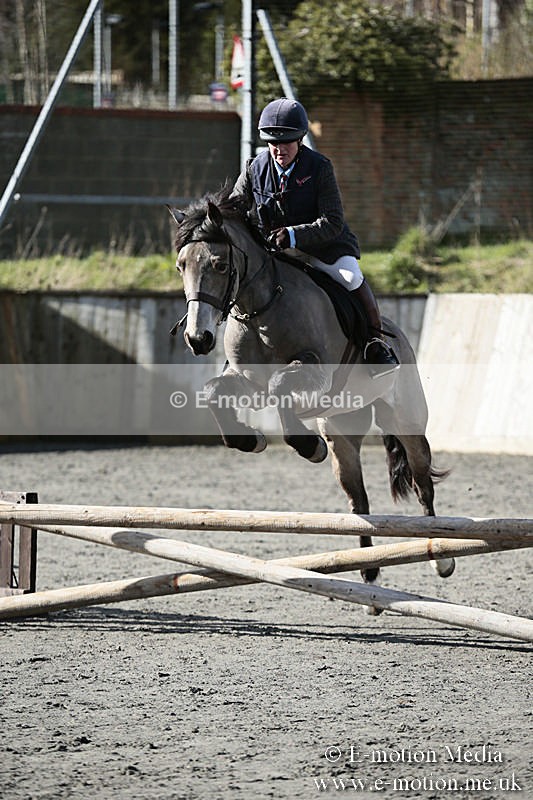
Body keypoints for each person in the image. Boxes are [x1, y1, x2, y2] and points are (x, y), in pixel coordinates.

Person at [232, 97, 399, 378]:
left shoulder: (319, 167)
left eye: (286, 142)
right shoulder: (253, 169)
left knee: (351, 278)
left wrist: (294, 235)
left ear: (300, 140)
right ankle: (240, 356)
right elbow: (234, 208)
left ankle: (374, 344)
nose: (278, 149)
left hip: (325, 248)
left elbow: (332, 222)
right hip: (276, 252)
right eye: (273, 142)